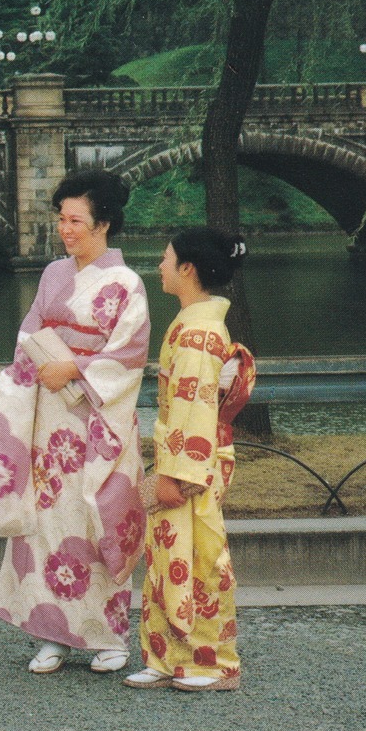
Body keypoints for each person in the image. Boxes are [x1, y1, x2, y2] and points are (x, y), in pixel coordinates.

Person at [0, 170, 150, 675]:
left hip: (97, 420)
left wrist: (75, 367)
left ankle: (108, 636)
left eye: (75, 219)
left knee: (94, 517)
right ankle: (49, 631)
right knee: (47, 522)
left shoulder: (126, 283)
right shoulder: (53, 274)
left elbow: (130, 352)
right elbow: (28, 334)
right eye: (61, 218)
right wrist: (38, 367)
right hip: (48, 416)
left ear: (103, 224)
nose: (65, 228)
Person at [124, 227, 246, 692]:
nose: (159, 265)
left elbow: (197, 412)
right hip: (178, 454)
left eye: (165, 258)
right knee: (166, 558)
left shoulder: (198, 333)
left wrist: (182, 476)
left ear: (187, 269)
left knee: (200, 561)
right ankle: (166, 655)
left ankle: (211, 664)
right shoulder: (193, 325)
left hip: (189, 463)